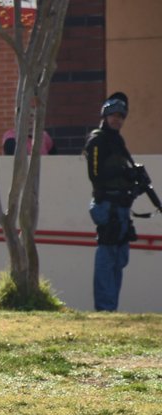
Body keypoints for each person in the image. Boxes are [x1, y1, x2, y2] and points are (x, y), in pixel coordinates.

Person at [84, 92, 137, 311]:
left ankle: (111, 307)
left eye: (121, 116)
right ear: (105, 116)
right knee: (107, 257)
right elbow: (95, 174)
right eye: (113, 115)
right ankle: (105, 308)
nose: (117, 119)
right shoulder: (98, 140)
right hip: (107, 205)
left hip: (121, 207)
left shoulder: (118, 141)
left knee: (119, 258)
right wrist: (122, 172)